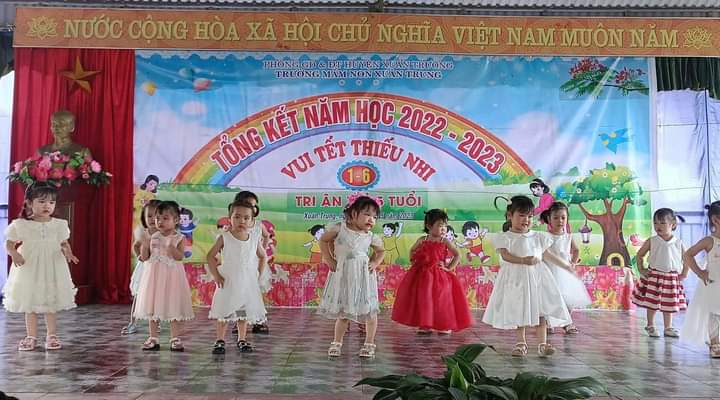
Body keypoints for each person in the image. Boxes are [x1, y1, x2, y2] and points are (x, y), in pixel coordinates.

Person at [482, 195, 572, 358]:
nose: (526, 220)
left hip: (537, 279)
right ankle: (521, 343)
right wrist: (523, 260)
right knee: (520, 309)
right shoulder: (505, 237)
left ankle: (542, 344)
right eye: (522, 215)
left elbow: (547, 254)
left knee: (541, 310)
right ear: (510, 216)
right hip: (517, 279)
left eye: (530, 216)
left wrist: (565, 265)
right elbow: (506, 256)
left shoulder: (538, 237)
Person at [3, 184, 79, 351]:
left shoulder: (59, 224)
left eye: (51, 202)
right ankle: (31, 336)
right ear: (30, 203)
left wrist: (68, 252)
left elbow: (64, 243)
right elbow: (9, 243)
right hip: (29, 266)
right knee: (29, 300)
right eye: (42, 201)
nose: (47, 206)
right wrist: (14, 253)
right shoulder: (21, 224)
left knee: (49, 299)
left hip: (52, 265)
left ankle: (51, 334)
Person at [317, 194, 385, 358]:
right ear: (354, 213)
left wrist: (375, 262)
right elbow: (324, 241)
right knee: (344, 312)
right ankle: (337, 342)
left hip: (363, 277)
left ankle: (369, 343)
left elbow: (381, 251)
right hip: (344, 275)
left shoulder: (370, 236)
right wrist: (329, 259)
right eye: (367, 214)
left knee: (370, 312)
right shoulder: (339, 228)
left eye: (374, 217)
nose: (371, 219)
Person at [391, 209, 472, 334]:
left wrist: (448, 268)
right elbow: (412, 250)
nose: (443, 229)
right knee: (425, 299)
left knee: (441, 299)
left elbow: (457, 255)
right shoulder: (422, 239)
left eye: (445, 226)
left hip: (440, 275)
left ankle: (444, 325)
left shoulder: (444, 241)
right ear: (429, 226)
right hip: (423, 275)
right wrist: (414, 261)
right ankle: (425, 324)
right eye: (440, 225)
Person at [207, 200, 268, 354]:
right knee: (225, 310)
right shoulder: (225, 237)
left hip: (247, 282)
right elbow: (210, 256)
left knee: (243, 311)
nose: (242, 221)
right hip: (228, 280)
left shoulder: (253, 239)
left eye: (246, 218)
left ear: (252, 221)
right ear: (230, 218)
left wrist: (258, 273)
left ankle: (242, 339)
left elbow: (263, 256)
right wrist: (216, 275)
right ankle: (220, 340)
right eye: (237, 217)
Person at [133, 200, 194, 352]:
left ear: (176, 220)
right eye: (157, 218)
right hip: (154, 277)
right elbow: (145, 257)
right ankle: (153, 337)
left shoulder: (179, 238)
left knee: (173, 305)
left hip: (172, 278)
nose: (160, 222)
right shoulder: (152, 237)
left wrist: (171, 247)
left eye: (165, 218)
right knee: (153, 306)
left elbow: (179, 257)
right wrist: (145, 245)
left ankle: (175, 337)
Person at [631, 208, 688, 338]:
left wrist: (684, 273)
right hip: (654, 276)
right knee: (652, 303)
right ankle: (650, 325)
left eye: (662, 223)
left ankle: (668, 327)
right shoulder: (652, 240)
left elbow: (687, 259)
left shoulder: (678, 242)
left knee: (669, 303)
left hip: (671, 277)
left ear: (673, 224)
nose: (658, 226)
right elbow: (640, 255)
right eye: (655, 223)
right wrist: (641, 269)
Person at [540, 202, 592, 335]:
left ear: (567, 218)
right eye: (556, 218)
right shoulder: (546, 237)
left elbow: (576, 250)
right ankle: (548, 322)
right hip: (549, 272)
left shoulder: (568, 236)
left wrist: (573, 263)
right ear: (549, 219)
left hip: (565, 273)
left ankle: (567, 323)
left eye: (563, 217)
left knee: (568, 299)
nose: (560, 221)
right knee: (550, 298)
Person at [681, 201, 720, 357]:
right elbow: (688, 255)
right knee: (714, 312)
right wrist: (700, 272)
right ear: (716, 220)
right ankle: (715, 343)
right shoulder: (710, 241)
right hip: (714, 283)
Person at [233, 190, 273, 335]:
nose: (252, 208)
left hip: (255, 263)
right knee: (239, 294)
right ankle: (239, 321)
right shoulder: (235, 226)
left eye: (254, 205)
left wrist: (263, 249)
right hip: (240, 265)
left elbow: (266, 236)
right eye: (248, 204)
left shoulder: (258, 225)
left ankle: (258, 321)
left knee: (255, 293)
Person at [122, 199, 162, 335]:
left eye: (156, 216)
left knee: (157, 296)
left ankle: (156, 323)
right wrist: (139, 255)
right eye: (149, 216)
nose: (152, 219)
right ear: (144, 218)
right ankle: (133, 322)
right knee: (139, 295)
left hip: (159, 268)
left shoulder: (164, 234)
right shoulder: (143, 232)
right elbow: (135, 246)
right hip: (145, 268)